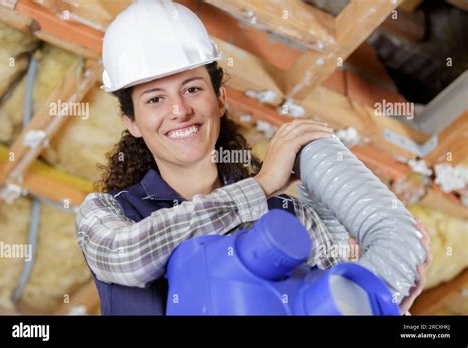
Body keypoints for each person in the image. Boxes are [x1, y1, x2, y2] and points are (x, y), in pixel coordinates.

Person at [75, 0, 432, 315]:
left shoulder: (290, 217)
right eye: (155, 99)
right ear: (132, 122)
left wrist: (388, 304)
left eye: (193, 89)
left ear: (220, 99)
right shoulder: (107, 213)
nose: (180, 110)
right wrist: (259, 187)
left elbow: (329, 302)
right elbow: (127, 257)